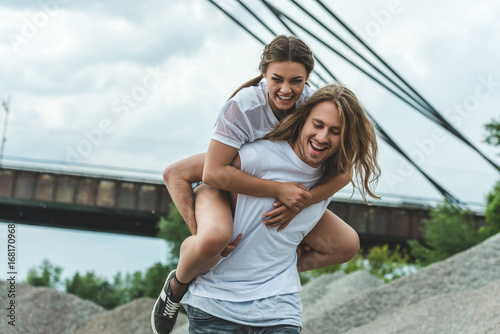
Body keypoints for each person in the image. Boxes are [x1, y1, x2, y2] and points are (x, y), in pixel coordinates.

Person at [151, 36, 379, 334]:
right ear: (263, 75)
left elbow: (345, 171)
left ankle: (271, 270)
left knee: (347, 243)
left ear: (307, 79)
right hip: (219, 185)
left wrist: (301, 202)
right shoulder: (243, 108)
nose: (286, 89)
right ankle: (176, 286)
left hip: (276, 273)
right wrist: (204, 240)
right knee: (214, 239)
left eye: (296, 81)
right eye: (276, 80)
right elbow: (196, 173)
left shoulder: (310, 105)